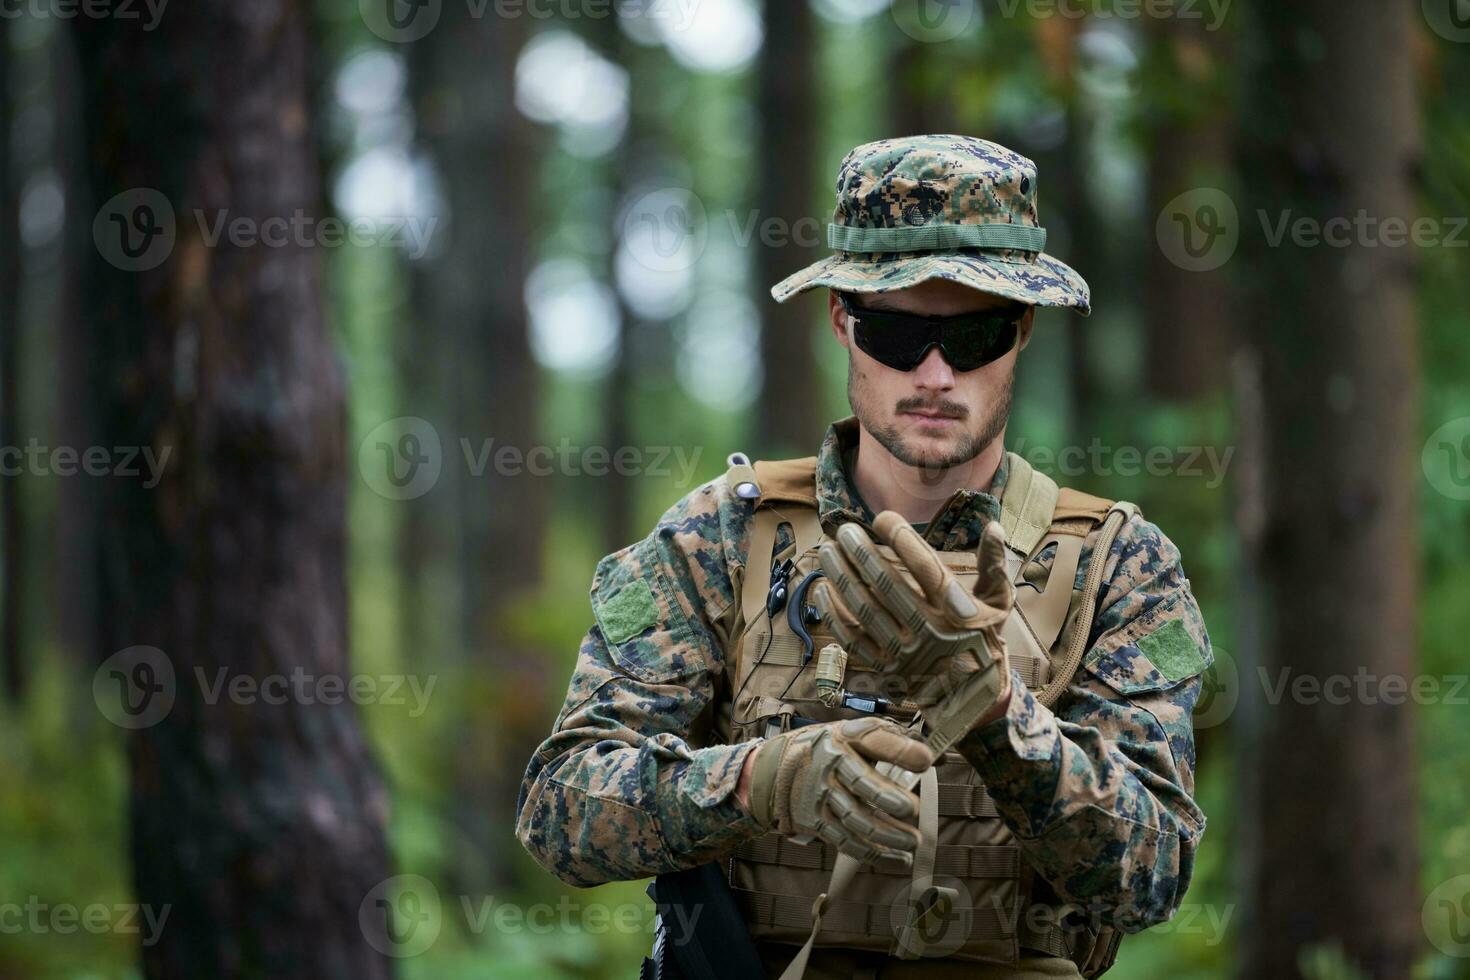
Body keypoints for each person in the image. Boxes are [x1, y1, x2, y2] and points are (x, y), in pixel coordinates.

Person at [516, 135, 1212, 979]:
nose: (933, 374)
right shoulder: (722, 539)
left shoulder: (1121, 566)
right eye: (894, 331)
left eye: (975, 334)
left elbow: (1154, 870)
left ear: (1021, 332)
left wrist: (995, 715)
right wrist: (757, 781)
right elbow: (559, 809)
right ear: (842, 320)